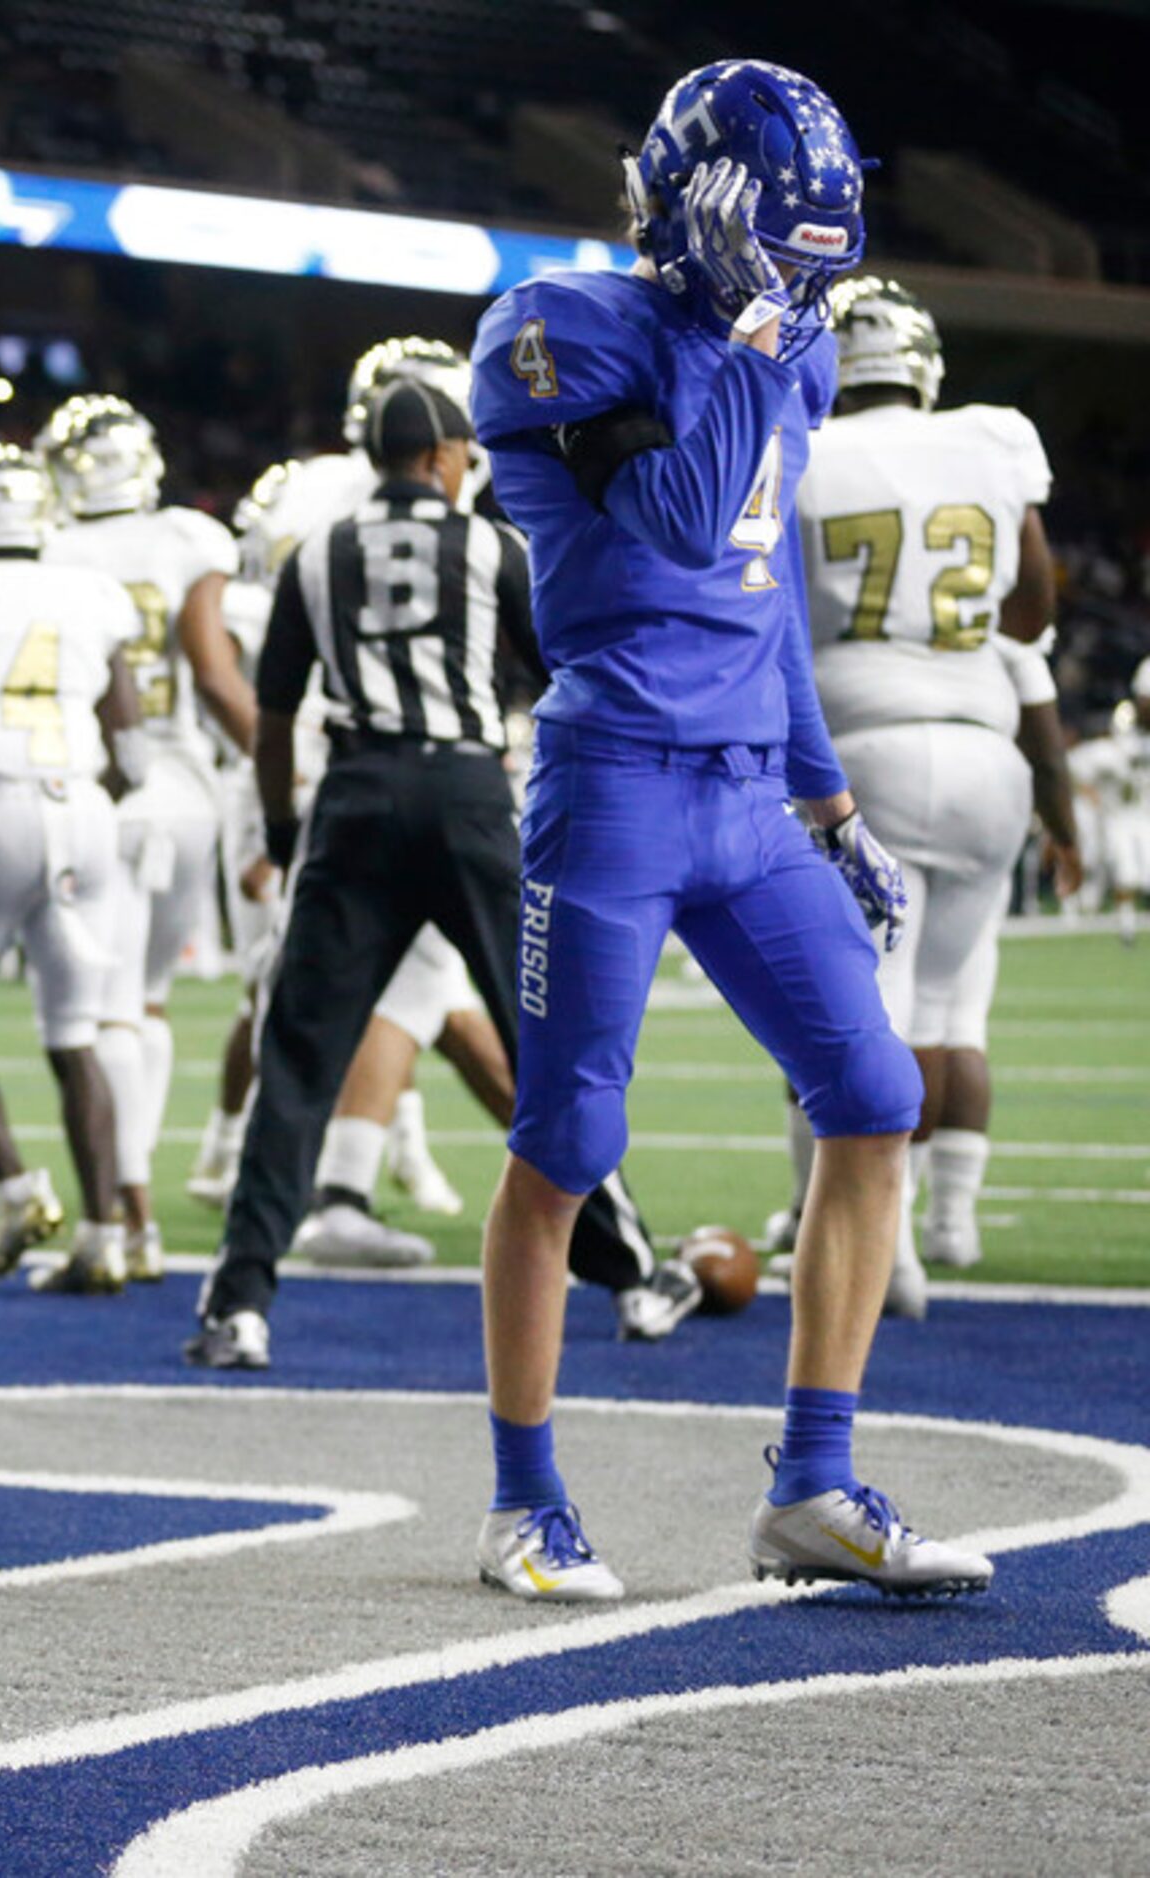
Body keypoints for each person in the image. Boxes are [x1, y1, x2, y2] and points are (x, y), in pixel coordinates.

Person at [465, 60, 988, 1602]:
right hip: (613, 776)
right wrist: (739, 332)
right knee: (564, 1140)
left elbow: (755, 604)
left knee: (871, 1090)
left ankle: (811, 1485)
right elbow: (685, 517)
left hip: (748, 788)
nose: (802, 283)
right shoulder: (554, 325)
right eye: (774, 244)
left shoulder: (783, 342)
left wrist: (824, 801)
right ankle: (518, 1499)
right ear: (690, 209)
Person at [182, 382, 549, 1368]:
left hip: (347, 794)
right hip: (467, 792)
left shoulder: (314, 542)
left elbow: (267, 709)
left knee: (295, 1051)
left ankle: (239, 1301)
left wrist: (279, 823)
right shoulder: (487, 544)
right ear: (442, 456)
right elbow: (562, 673)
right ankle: (628, 1269)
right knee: (548, 1038)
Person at [784, 278, 1083, 1285]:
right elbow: (1032, 610)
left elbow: (764, 604)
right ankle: (935, 1225)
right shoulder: (992, 438)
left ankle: (883, 1243)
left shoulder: (803, 448)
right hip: (983, 749)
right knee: (948, 1007)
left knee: (858, 1010)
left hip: (856, 750)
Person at [0, 443, 143, 1294]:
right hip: (83, 807)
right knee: (75, 1036)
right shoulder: (88, 590)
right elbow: (132, 742)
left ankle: (16, 1187)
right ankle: (103, 1233)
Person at [37, 395, 255, 1284]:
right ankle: (140, 1209)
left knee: (106, 1013)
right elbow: (212, 674)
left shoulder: (46, 550)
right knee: (150, 1002)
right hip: (186, 792)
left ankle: (131, 1216)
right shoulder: (186, 540)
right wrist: (282, 771)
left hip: (94, 792)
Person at [1070, 666, 1150, 944]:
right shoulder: (1117, 744)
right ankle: (1126, 927)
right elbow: (1076, 766)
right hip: (1119, 815)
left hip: (1144, 814)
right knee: (1126, 873)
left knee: (1144, 877)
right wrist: (1089, 792)